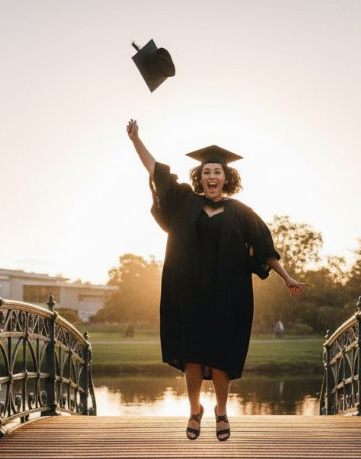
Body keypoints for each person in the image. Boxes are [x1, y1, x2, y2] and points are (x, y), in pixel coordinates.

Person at [126, 119, 304, 441]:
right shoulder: (185, 202)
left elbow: (265, 248)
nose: (211, 177)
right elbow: (156, 172)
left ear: (226, 177)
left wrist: (286, 276)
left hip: (228, 295)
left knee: (221, 359)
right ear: (200, 176)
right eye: (206, 172)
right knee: (192, 356)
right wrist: (137, 140)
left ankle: (221, 411)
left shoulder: (240, 211)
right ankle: (195, 410)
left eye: (217, 172)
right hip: (189, 292)